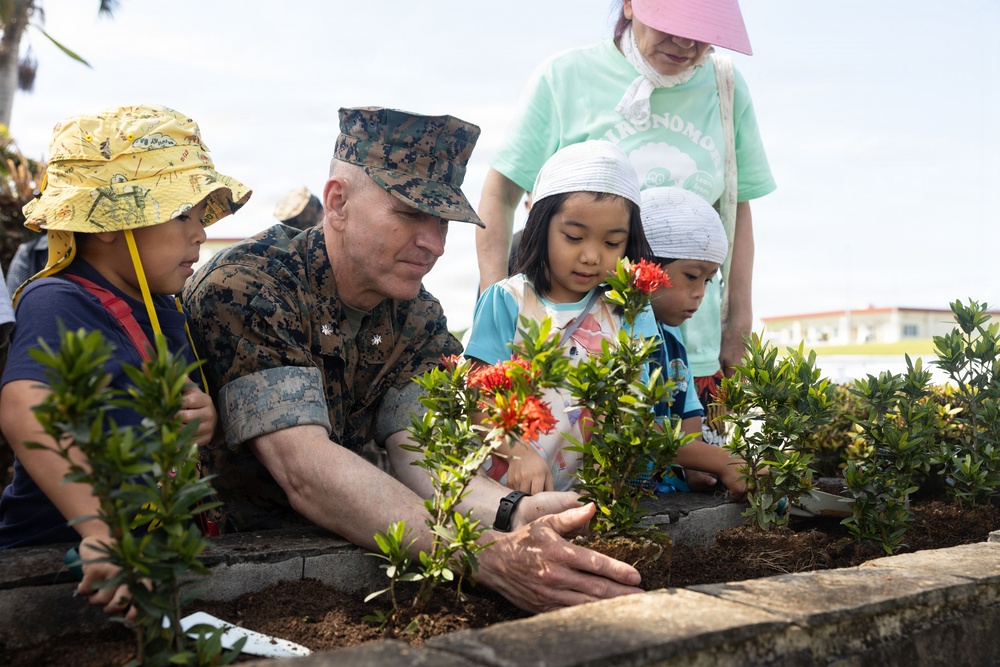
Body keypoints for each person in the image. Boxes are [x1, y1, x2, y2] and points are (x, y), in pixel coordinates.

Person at [182, 106, 643, 614]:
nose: (435, 244)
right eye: (410, 215)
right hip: (228, 574)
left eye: (443, 220)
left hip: (367, 552)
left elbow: (420, 450)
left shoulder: (415, 313)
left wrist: (514, 513)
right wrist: (484, 557)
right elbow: (304, 469)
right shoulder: (252, 285)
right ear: (337, 202)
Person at [476, 0, 776, 445]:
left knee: (690, 475)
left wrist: (738, 329)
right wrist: (494, 302)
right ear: (632, 4)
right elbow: (500, 194)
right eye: (672, 24)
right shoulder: (565, 78)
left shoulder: (725, 86)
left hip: (694, 345)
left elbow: (737, 209)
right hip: (578, 344)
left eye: (702, 29)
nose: (687, 42)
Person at [0, 104, 250, 616]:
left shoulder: (162, 311)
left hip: (142, 561)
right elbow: (26, 408)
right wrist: (98, 532)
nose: (200, 232)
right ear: (111, 220)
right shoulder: (60, 301)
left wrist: (201, 417)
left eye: (201, 216)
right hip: (55, 566)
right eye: (183, 213)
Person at [464, 141, 656, 493]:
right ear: (540, 225)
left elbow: (638, 403)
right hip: (508, 491)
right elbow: (479, 397)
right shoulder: (506, 301)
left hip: (599, 493)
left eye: (612, 244)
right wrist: (518, 452)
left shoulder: (630, 309)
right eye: (573, 237)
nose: (590, 256)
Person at [640, 187, 746, 496]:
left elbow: (688, 416)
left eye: (709, 280)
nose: (701, 292)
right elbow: (641, 432)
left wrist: (699, 468)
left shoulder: (672, 336)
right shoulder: (619, 332)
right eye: (691, 275)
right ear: (647, 265)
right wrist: (723, 461)